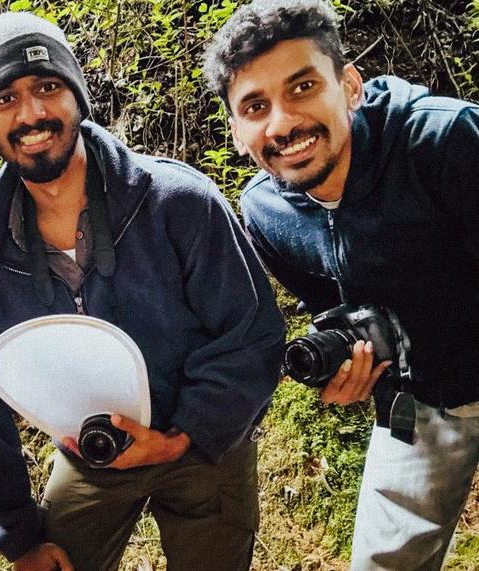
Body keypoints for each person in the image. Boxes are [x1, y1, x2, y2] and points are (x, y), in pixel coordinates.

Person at [0, 12, 286, 571]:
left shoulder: (177, 201)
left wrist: (183, 437)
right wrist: (17, 536)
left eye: (47, 87)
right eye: (5, 98)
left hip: (204, 441)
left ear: (77, 96)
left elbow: (250, 332)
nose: (32, 113)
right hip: (90, 456)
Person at [202, 1, 479, 569]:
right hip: (421, 399)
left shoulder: (444, 141)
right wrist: (352, 362)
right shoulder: (263, 212)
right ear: (237, 130)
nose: (281, 123)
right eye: (255, 106)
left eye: (302, 86)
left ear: (349, 85)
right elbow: (332, 307)